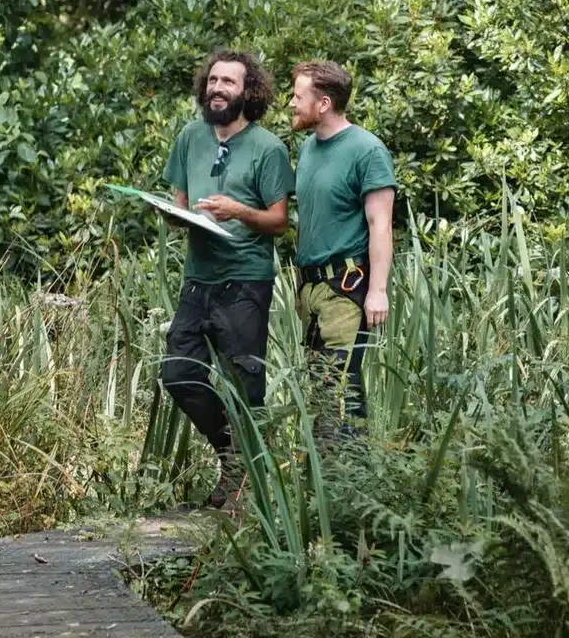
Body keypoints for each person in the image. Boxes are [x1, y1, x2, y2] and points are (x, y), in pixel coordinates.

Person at [160, 49, 295, 509]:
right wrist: (169, 214)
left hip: (245, 283)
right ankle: (233, 456)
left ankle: (243, 486)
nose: (217, 89)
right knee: (178, 373)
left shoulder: (269, 148)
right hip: (197, 279)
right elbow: (179, 206)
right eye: (213, 81)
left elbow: (279, 222)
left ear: (248, 92)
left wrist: (237, 211)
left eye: (229, 83)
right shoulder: (190, 137)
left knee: (245, 386)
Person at [288, 60, 396, 445]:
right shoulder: (307, 149)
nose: (291, 104)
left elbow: (380, 224)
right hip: (311, 288)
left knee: (341, 388)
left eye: (298, 97)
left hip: (346, 287)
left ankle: (355, 488)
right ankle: (325, 487)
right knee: (319, 389)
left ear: (324, 103)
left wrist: (378, 290)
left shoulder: (367, 150)